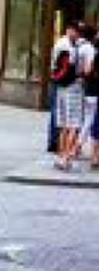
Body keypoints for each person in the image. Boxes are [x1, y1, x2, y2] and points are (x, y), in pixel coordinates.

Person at [52, 21, 83, 170]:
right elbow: (71, 69)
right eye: (76, 31)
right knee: (73, 125)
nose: (78, 35)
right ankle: (65, 158)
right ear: (70, 30)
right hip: (71, 87)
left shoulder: (60, 43)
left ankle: (60, 156)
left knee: (63, 124)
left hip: (60, 86)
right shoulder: (68, 46)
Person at [76, 24, 99, 168]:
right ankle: (78, 147)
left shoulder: (82, 47)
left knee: (88, 120)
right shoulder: (90, 50)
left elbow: (86, 70)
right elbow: (88, 69)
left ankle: (80, 148)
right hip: (94, 92)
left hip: (88, 89)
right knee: (91, 121)